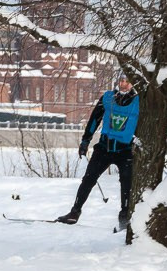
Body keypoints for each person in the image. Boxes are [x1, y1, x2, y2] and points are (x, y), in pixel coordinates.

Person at [59, 75, 142, 239]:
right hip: (105, 147)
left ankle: (124, 218)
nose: (124, 84)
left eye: (127, 82)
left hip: (125, 150)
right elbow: (94, 120)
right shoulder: (108, 98)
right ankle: (74, 212)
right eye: (121, 81)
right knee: (88, 179)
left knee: (127, 184)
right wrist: (85, 141)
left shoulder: (139, 101)